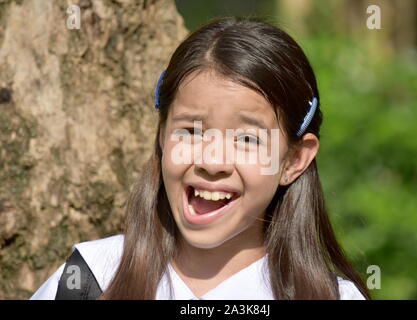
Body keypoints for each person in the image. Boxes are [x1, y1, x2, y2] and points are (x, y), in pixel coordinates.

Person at [31, 16, 370, 300]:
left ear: (293, 160)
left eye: (247, 139)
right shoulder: (90, 280)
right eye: (191, 132)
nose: (212, 161)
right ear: (162, 135)